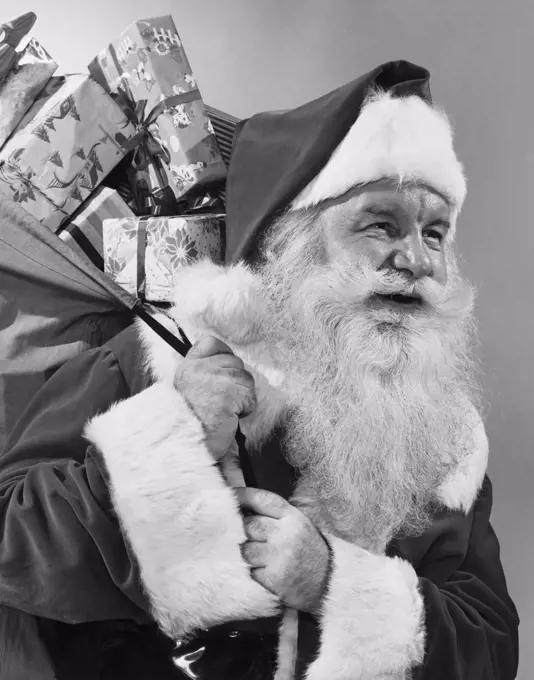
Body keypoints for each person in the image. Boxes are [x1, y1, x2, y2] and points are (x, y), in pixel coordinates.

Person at [0, 60, 519, 679]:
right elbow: (11, 545)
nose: (415, 259)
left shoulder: (447, 438)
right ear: (293, 243)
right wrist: (173, 433)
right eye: (381, 224)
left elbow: (491, 647)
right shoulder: (161, 361)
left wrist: (333, 581)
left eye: (436, 233)